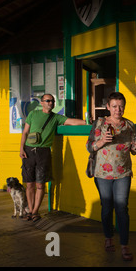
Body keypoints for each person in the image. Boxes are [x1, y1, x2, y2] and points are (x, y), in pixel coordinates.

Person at [86, 92, 136, 261]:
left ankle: (124, 245)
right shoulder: (100, 123)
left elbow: (132, 150)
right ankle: (108, 238)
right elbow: (89, 146)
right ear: (108, 107)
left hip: (123, 172)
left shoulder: (130, 125)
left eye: (121, 106)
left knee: (122, 208)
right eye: (115, 106)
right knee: (106, 207)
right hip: (102, 173)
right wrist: (102, 141)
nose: (118, 109)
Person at [20, 94, 86, 222]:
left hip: (43, 152)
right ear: (42, 102)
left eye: (52, 101)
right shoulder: (33, 114)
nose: (51, 103)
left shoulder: (56, 117)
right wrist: (21, 148)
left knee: (40, 184)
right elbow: (25, 132)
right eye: (48, 100)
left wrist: (87, 121)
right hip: (28, 150)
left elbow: (71, 121)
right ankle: (30, 209)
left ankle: (35, 211)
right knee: (29, 184)